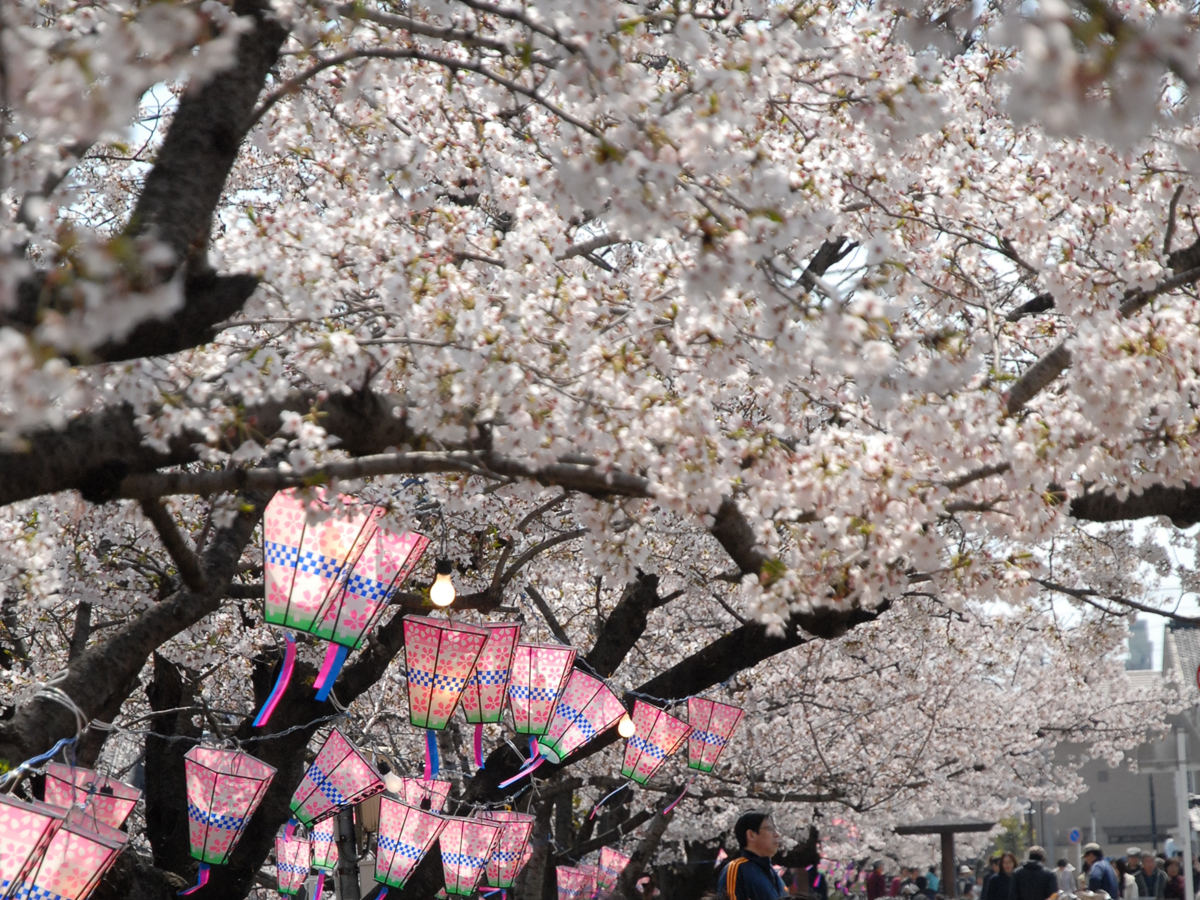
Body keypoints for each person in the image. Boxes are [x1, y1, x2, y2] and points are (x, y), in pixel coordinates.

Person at [716, 811, 786, 900]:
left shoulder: (775, 875)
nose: (777, 834)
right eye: (770, 829)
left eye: (775, 829)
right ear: (751, 835)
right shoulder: (737, 869)